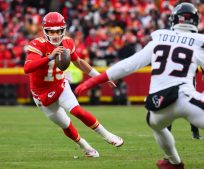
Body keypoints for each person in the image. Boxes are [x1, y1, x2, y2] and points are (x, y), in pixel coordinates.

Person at [75, 3, 202, 168]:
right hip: (185, 99)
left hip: (158, 106)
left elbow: (128, 65)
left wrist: (92, 81)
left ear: (174, 20)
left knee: (155, 124)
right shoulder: (199, 41)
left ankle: (174, 161)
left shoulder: (159, 37)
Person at [24, 12, 123, 158]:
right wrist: (50, 57)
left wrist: (100, 77)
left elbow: (79, 62)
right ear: (45, 31)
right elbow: (27, 68)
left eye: (58, 30)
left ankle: (107, 135)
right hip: (41, 94)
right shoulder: (37, 44)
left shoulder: (68, 42)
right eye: (52, 31)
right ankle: (86, 146)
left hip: (60, 85)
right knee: (65, 124)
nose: (56, 34)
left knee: (77, 111)